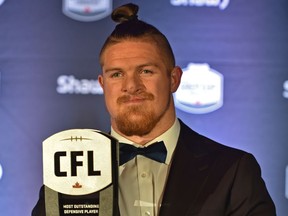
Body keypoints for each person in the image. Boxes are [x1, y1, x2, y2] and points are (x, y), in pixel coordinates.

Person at [32, 3, 276, 216]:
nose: (131, 86)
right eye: (117, 75)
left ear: (174, 79)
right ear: (102, 85)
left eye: (146, 71)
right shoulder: (68, 172)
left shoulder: (233, 171)